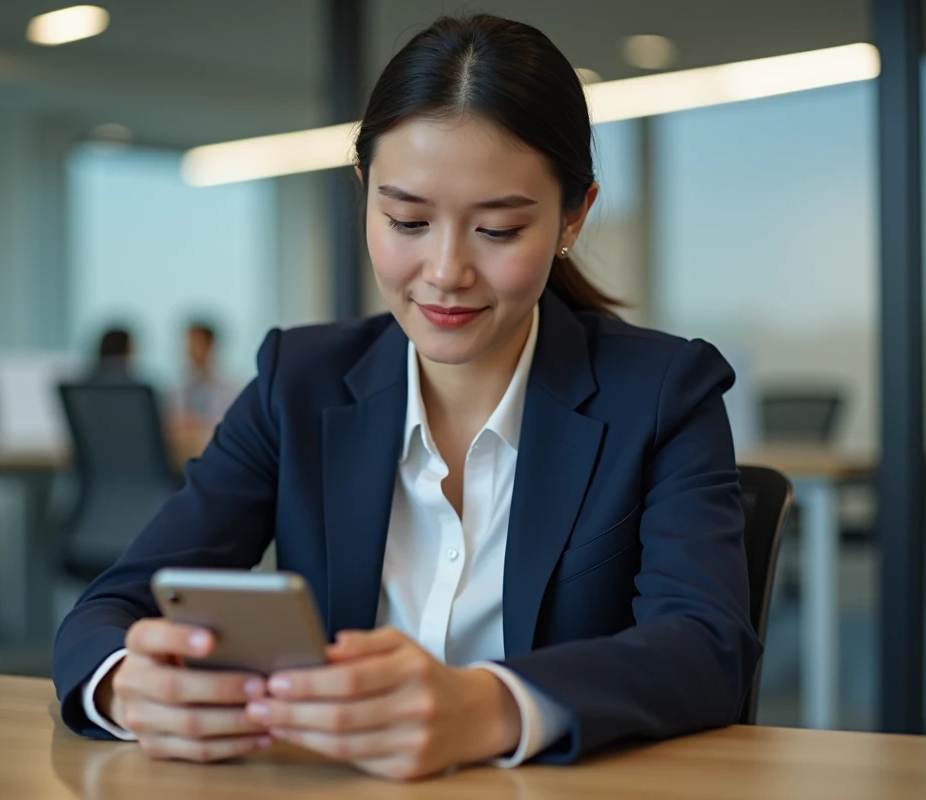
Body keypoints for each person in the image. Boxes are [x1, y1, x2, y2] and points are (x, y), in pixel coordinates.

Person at [53, 14, 758, 780]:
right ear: (365, 197)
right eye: (408, 221)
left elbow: (707, 646)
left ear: (573, 216)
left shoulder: (662, 394)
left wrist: (489, 707)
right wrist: (127, 686)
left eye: (497, 229)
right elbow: (110, 607)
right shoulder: (299, 383)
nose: (446, 270)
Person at [169, 320, 238, 429]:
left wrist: (198, 424)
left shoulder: (230, 390)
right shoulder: (176, 388)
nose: (191, 350)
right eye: (189, 344)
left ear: (210, 346)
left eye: (197, 344)